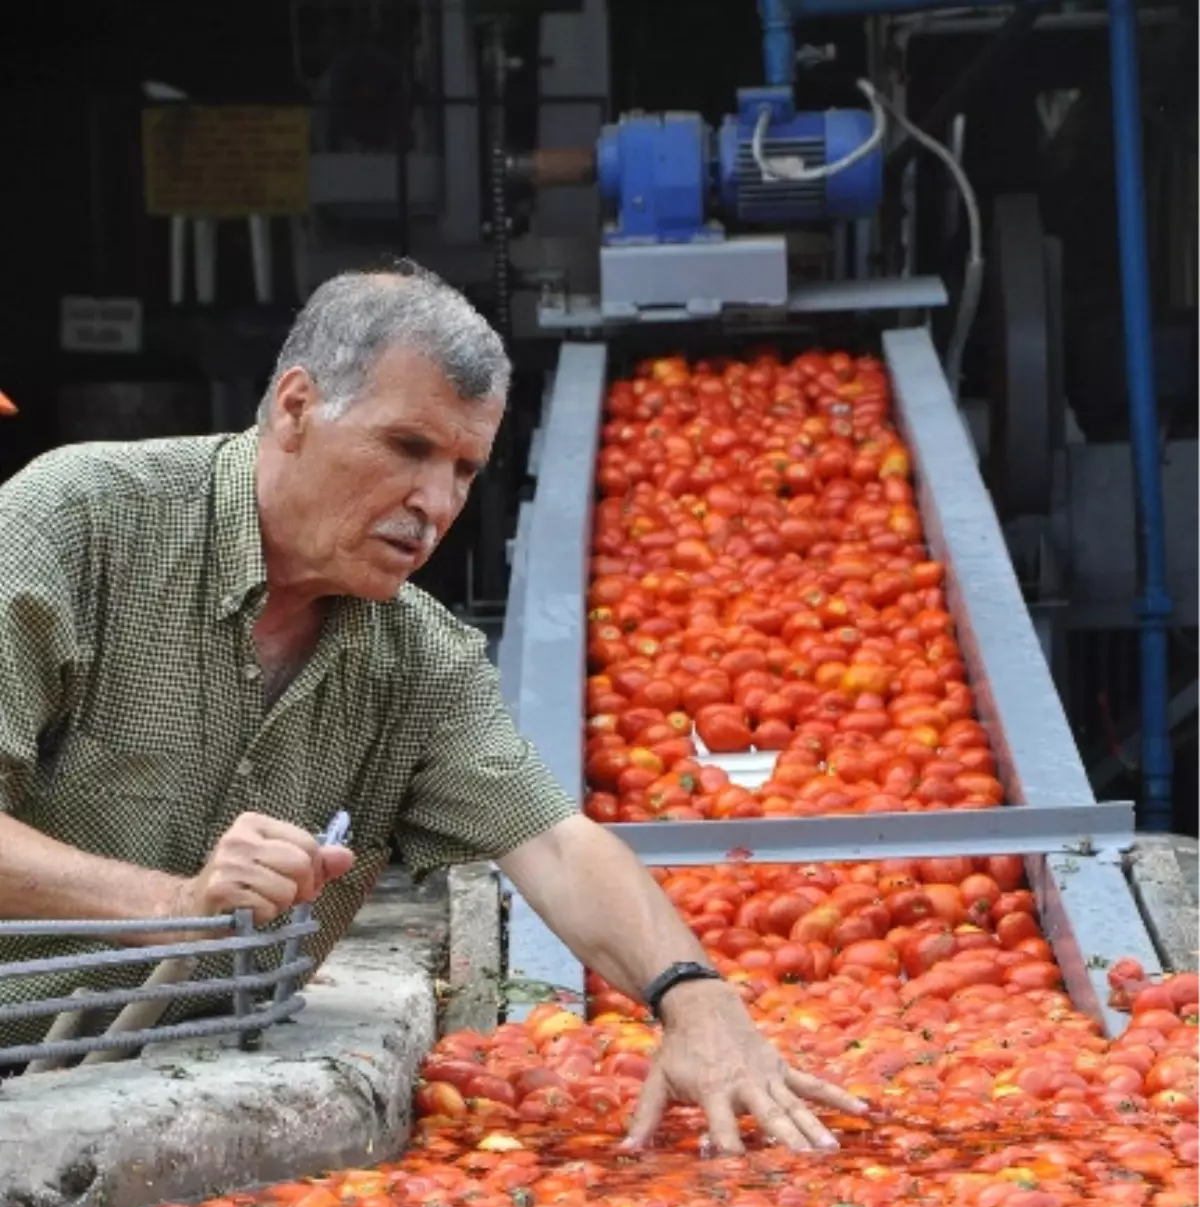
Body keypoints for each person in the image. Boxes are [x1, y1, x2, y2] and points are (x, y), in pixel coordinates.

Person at [0, 262, 865, 1154]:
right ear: (295, 409)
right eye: (408, 448)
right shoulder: (80, 524)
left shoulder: (419, 659)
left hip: (181, 1116)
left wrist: (694, 996)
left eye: (464, 468)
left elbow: (556, 842)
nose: (438, 503)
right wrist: (172, 902)